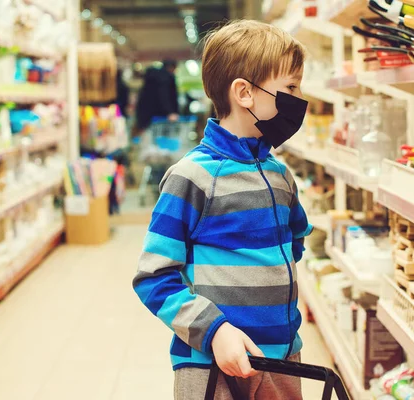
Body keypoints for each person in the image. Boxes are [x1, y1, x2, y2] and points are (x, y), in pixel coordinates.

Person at [132, 20, 311, 400]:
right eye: (291, 87)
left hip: (280, 357)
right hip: (209, 360)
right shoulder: (192, 177)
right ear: (245, 92)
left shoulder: (280, 175)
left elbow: (294, 243)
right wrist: (215, 331)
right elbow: (153, 277)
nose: (300, 98)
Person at [134, 59, 180, 134]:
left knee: (150, 138)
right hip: (161, 117)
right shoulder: (166, 77)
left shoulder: (151, 76)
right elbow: (164, 95)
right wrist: (170, 112)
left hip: (145, 114)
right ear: (172, 67)